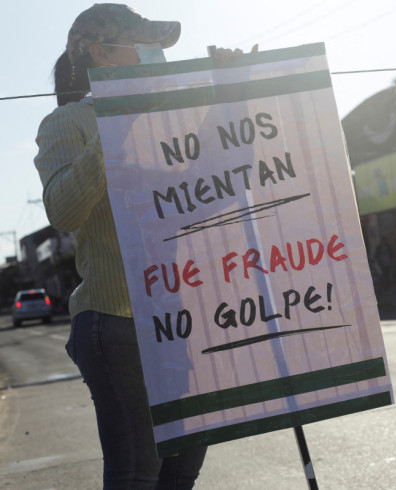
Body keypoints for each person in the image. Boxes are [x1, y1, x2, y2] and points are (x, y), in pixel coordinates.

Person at [34, 4, 247, 487]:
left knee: (181, 470)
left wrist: (230, 98)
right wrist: (117, 117)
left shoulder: (175, 117)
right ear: (102, 54)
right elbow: (64, 211)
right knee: (137, 473)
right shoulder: (67, 123)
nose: (157, 56)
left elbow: (212, 187)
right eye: (144, 44)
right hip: (117, 323)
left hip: (184, 319)